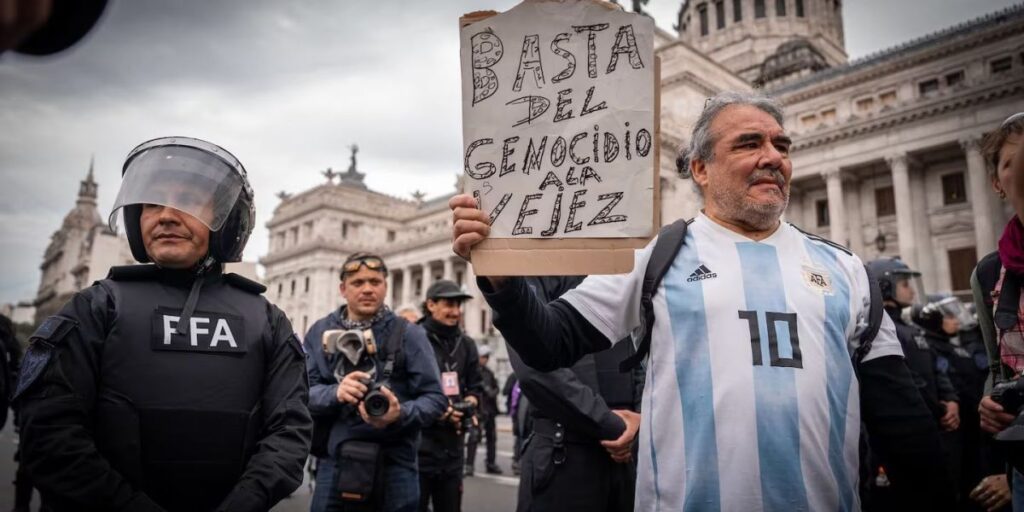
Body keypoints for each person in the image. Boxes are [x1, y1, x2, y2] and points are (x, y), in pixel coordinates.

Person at [450, 91, 952, 510]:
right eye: (749, 144)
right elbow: (548, 341)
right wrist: (502, 274)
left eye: (782, 144)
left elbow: (903, 423)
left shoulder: (849, 272)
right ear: (700, 169)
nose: (772, 157)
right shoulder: (654, 258)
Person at [13, 136, 313, 511]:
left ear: (225, 219)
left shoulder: (266, 320)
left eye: (186, 201)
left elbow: (289, 433)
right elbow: (50, 434)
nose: (166, 215)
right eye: (152, 203)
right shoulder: (94, 308)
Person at [305, 252, 447, 512]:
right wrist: (335, 393)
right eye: (358, 283)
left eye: (375, 281)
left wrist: (399, 413)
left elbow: (436, 399)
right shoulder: (318, 331)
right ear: (343, 289)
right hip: (335, 460)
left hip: (397, 462)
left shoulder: (410, 333)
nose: (368, 289)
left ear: (386, 285)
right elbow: (301, 394)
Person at [505, 276, 641, 512]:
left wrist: (642, 419)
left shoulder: (620, 265)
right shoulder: (535, 265)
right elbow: (535, 368)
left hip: (628, 456)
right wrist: (614, 426)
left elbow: (641, 351)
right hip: (566, 455)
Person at [972, 112, 1024, 512]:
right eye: (1011, 162)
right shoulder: (991, 273)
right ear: (997, 183)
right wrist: (992, 406)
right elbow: (996, 368)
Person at [912, 296, 993, 509]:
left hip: (973, 424)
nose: (955, 320)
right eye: (948, 316)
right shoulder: (929, 347)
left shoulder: (954, 346)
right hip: (952, 427)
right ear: (932, 319)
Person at [415, 279, 483, 512]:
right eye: (449, 305)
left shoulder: (467, 344)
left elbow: (476, 386)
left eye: (458, 306)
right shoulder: (412, 338)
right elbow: (403, 389)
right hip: (418, 447)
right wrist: (440, 411)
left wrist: (469, 404)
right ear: (431, 305)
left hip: (453, 448)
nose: (455, 312)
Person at [466, 344, 502, 477]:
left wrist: (492, 391)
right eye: (483, 357)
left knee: (491, 438)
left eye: (486, 357)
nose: (484, 359)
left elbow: (496, 387)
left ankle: (491, 463)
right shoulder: (473, 371)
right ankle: (469, 465)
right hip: (478, 409)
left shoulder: (489, 372)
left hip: (490, 409)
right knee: (474, 437)